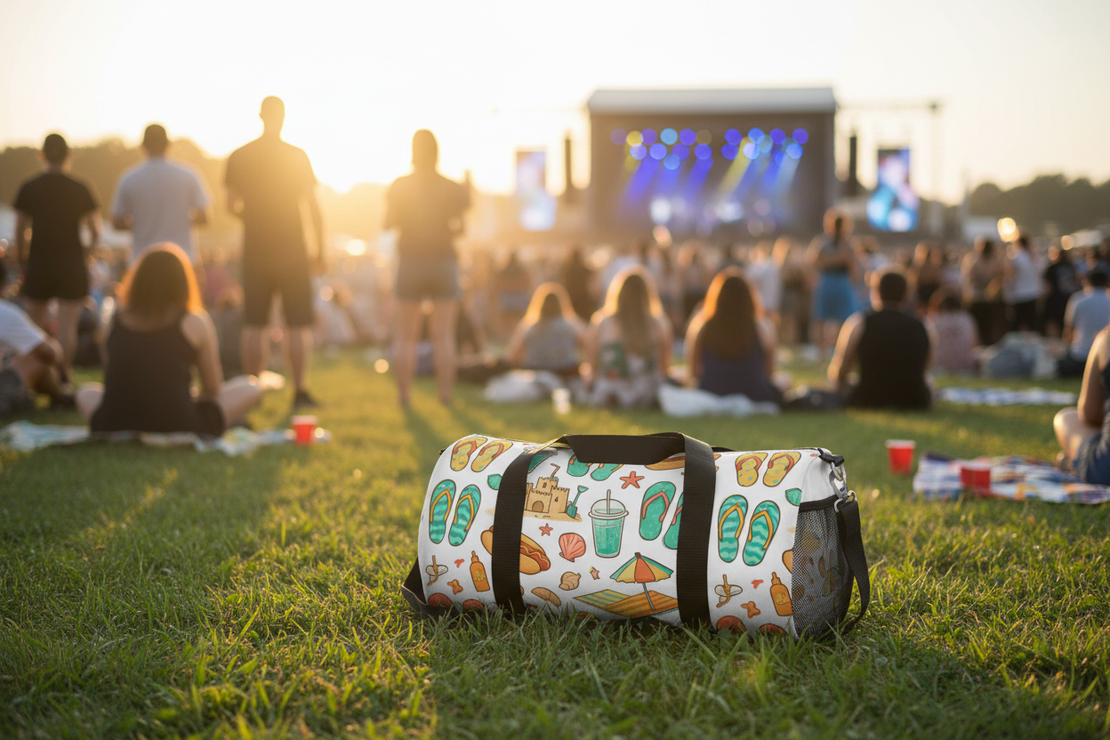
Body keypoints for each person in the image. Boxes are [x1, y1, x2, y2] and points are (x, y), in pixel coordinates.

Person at [76, 244, 261, 435]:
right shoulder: (195, 321)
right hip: (180, 424)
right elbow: (212, 389)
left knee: (85, 392)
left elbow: (116, 381)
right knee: (251, 387)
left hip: (114, 423)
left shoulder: (113, 321)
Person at [225, 97, 324, 410]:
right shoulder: (296, 155)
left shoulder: (240, 155)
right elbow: (313, 205)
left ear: (260, 116)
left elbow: (229, 204)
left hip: (255, 248)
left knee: (254, 323)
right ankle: (300, 391)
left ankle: (250, 393)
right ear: (283, 117)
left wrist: (253, 218)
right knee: (297, 324)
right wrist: (319, 246)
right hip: (292, 248)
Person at [383, 129, 469, 406]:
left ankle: (404, 396)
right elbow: (461, 228)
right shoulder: (451, 187)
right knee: (443, 335)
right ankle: (445, 396)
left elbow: (387, 222)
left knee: (406, 335)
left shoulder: (400, 185)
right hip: (443, 261)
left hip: (410, 261)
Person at [12, 133, 101, 379]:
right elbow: (96, 230)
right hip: (72, 262)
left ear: (41, 155)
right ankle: (63, 373)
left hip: (39, 262)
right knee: (67, 328)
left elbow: (20, 229)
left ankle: (41, 374)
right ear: (69, 156)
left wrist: (23, 260)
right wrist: (86, 253)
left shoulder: (30, 187)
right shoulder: (81, 187)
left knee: (33, 326)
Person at [828, 268, 933, 409]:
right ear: (907, 294)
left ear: (876, 292)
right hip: (914, 400)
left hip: (868, 398)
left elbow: (841, 372)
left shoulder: (859, 323)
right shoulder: (923, 326)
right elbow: (925, 369)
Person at [111, 124, 212, 263]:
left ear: (143, 146)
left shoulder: (129, 178)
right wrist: (180, 219)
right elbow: (205, 218)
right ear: (169, 145)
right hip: (182, 258)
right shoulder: (188, 175)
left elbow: (117, 222)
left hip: (142, 260)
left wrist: (142, 222)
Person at [684, 268, 782, 404]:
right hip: (755, 392)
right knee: (784, 381)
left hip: (711, 390)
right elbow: (769, 373)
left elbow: (694, 371)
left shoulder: (703, 326)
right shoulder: (762, 327)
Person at [585, 267, 672, 408]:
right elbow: (663, 368)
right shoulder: (658, 324)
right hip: (647, 389)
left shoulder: (602, 322)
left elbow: (593, 365)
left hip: (610, 387)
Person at [0, 261, 71, 416]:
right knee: (38, 358)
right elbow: (49, 353)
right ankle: (61, 398)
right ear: (4, 283)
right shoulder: (4, 311)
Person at [1054, 326, 1110, 484]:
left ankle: (1073, 461)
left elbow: (1090, 414)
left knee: (1065, 418)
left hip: (1105, 472)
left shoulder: (1105, 341)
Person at [506, 282, 584, 377]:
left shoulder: (529, 327)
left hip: (536, 373)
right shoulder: (572, 325)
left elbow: (513, 357)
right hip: (566, 372)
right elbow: (587, 348)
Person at [809, 209, 859, 356]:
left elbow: (851, 263)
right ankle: (821, 349)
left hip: (841, 281)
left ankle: (839, 348)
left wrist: (831, 261)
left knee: (844, 317)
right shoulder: (823, 242)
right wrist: (837, 259)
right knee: (821, 316)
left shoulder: (847, 243)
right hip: (828, 280)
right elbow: (815, 260)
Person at [1058, 269, 1110, 377]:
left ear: (1087, 282)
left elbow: (1068, 330)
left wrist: (1067, 350)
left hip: (1080, 357)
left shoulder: (1078, 300)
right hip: (1106, 358)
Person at [962, 237, 1007, 346]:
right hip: (987, 298)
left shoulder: (972, 259)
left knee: (982, 327)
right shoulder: (995, 260)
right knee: (988, 327)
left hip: (979, 298)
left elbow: (968, 278)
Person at [925, 291, 978, 374]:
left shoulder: (933, 318)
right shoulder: (966, 318)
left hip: (938, 364)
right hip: (965, 365)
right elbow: (975, 343)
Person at [1005, 234, 1042, 333]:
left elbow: (1011, 277)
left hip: (1019, 296)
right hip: (1033, 294)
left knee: (1016, 326)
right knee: (1032, 326)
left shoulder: (1016, 258)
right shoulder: (1033, 258)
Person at [1042, 244, 1080, 338]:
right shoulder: (1072, 266)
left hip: (1056, 299)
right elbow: (1077, 281)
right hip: (1070, 298)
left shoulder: (1052, 267)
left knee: (1056, 322)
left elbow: (1048, 286)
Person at [559, 245, 598, 321]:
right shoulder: (587, 270)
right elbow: (592, 288)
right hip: (584, 302)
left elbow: (562, 285)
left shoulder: (565, 270)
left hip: (569, 301)